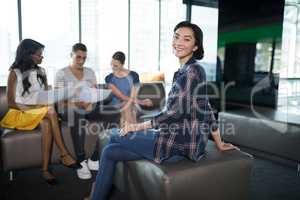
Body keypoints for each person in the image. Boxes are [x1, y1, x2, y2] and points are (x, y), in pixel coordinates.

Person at [90, 21, 238, 200]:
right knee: (109, 151)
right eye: (176, 37)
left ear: (195, 46)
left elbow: (172, 113)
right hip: (178, 139)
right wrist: (219, 141)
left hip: (176, 144)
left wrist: (136, 127)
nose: (179, 42)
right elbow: (205, 107)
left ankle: (94, 191)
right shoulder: (188, 71)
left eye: (187, 39)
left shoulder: (191, 72)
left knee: (114, 135)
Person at [0, 39, 79, 185]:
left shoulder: (41, 71)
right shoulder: (15, 72)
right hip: (20, 113)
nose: (42, 57)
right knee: (49, 111)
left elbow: (45, 95)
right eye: (39, 54)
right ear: (29, 55)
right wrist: (34, 108)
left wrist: (57, 93)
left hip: (39, 113)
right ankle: (64, 153)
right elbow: (11, 103)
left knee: (46, 124)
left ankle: (45, 170)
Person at [55, 43, 102, 180]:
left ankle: (95, 157)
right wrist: (77, 104)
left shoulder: (90, 72)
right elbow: (59, 101)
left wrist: (91, 102)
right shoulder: (61, 73)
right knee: (77, 112)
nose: (81, 61)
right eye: (78, 57)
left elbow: (94, 93)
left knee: (115, 113)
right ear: (71, 55)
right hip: (68, 108)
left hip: (87, 107)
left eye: (84, 58)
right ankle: (81, 160)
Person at [105, 51, 152, 126]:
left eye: (116, 66)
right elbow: (120, 96)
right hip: (116, 104)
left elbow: (133, 96)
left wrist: (132, 103)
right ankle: (132, 132)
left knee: (128, 107)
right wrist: (142, 102)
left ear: (122, 64)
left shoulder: (134, 75)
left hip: (132, 103)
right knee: (127, 108)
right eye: (111, 65)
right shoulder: (109, 78)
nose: (113, 68)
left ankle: (126, 132)